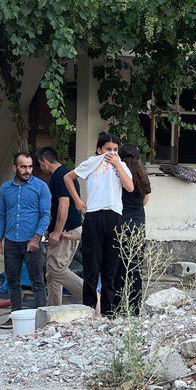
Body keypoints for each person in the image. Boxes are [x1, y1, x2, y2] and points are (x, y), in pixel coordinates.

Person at [64, 133, 134, 317]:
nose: (111, 153)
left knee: (111, 267)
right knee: (92, 267)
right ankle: (89, 310)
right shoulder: (92, 162)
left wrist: (117, 164)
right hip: (94, 215)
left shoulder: (122, 166)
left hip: (115, 216)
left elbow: (130, 187)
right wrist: (78, 201)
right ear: (99, 149)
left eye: (115, 150)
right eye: (107, 149)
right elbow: (68, 178)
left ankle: (109, 312)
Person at [0, 151, 51, 329]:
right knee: (12, 281)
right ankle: (16, 317)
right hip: (11, 241)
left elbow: (46, 215)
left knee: (37, 281)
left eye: (30, 167)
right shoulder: (5, 188)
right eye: (23, 167)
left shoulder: (41, 187)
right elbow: (1, 214)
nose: (27, 171)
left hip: (32, 241)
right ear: (15, 168)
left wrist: (36, 238)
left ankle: (39, 321)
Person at [36, 146, 84, 306]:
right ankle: (53, 310)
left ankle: (89, 295)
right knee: (52, 273)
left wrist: (57, 232)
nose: (41, 168)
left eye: (39, 164)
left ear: (44, 161)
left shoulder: (60, 176)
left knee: (55, 268)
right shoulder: (62, 174)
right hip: (66, 228)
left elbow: (64, 204)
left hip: (67, 229)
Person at [117, 144, 152, 315]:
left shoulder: (118, 175)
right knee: (135, 268)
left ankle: (118, 306)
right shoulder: (142, 176)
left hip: (120, 224)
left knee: (119, 268)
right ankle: (135, 308)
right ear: (139, 159)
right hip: (138, 224)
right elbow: (145, 201)